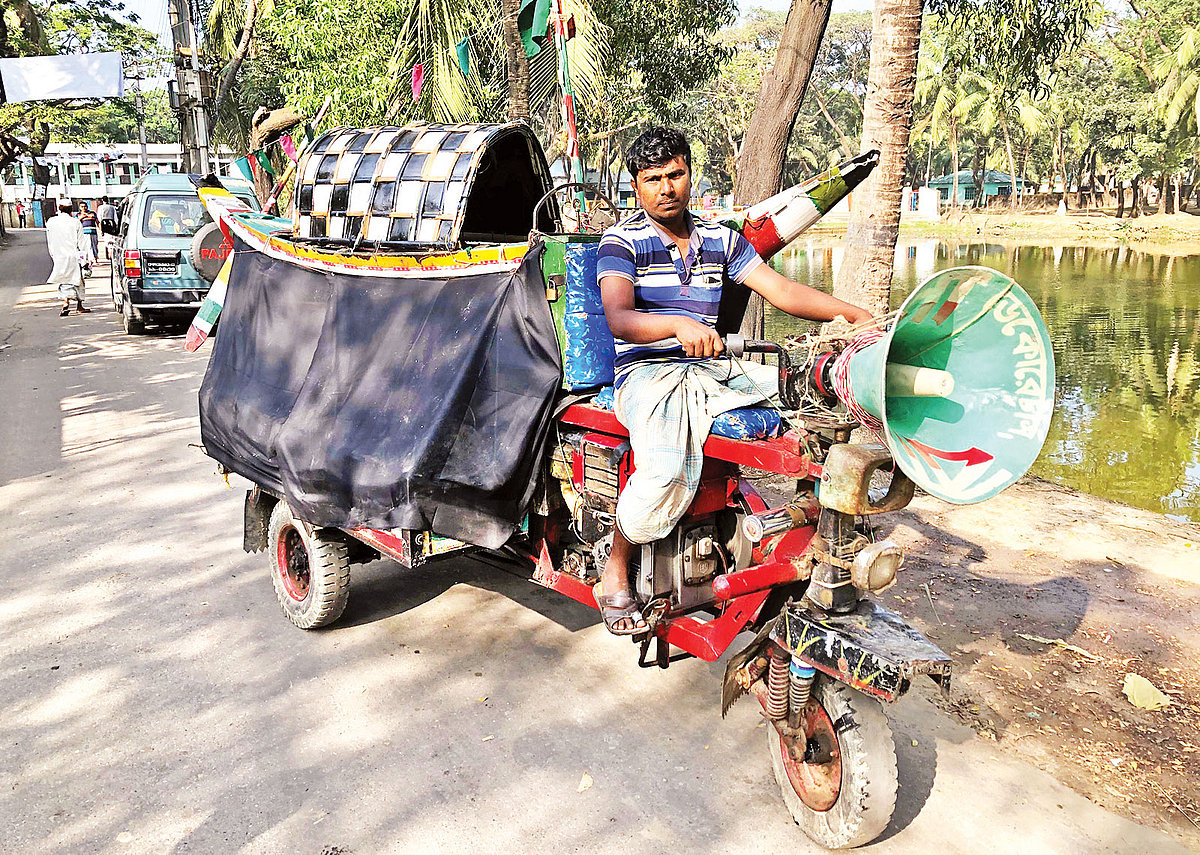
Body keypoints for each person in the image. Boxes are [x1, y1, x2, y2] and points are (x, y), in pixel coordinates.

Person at [594, 127, 871, 634]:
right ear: (636, 186)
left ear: (690, 173)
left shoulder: (721, 239)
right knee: (661, 471)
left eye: (675, 174)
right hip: (648, 375)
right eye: (652, 178)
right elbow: (619, 317)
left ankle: (819, 531)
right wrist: (677, 325)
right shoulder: (622, 240)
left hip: (711, 370)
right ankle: (617, 564)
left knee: (805, 392)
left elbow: (781, 290)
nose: (666, 187)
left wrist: (857, 317)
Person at [46, 202, 92, 317]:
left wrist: (53, 254)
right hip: (74, 256)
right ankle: (79, 306)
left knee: (64, 279)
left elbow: (50, 240)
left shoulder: (51, 222)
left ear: (59, 208)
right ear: (71, 209)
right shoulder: (75, 222)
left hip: (59, 255)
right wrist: (85, 259)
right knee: (78, 280)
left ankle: (65, 301)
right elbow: (81, 242)